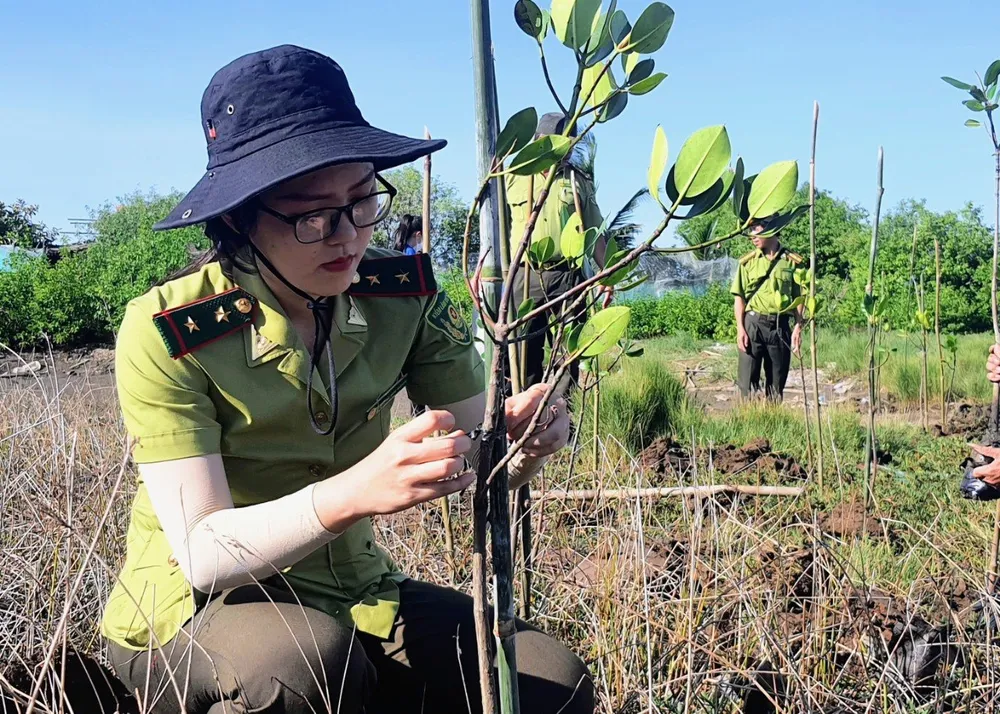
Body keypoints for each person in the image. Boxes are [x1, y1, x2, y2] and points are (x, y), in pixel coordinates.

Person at [100, 45, 592, 714]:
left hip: (357, 595)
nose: (348, 237)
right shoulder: (170, 330)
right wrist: (357, 492)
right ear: (241, 218)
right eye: (313, 216)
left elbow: (481, 462)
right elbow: (205, 552)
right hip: (194, 612)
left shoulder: (404, 295)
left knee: (549, 682)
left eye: (363, 202)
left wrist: (521, 444)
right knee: (299, 667)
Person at [505, 112, 607, 389]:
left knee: (569, 354)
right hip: (525, 276)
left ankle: (562, 423)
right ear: (540, 142)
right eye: (557, 141)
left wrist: (607, 275)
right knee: (523, 354)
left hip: (569, 276)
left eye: (569, 142)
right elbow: (494, 227)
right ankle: (526, 422)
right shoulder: (513, 176)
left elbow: (594, 232)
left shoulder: (577, 180)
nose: (566, 147)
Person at [731, 220, 805, 401]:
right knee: (747, 382)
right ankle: (747, 421)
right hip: (753, 324)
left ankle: (771, 420)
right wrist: (740, 328)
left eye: (756, 228)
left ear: (773, 228)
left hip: (780, 327)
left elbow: (800, 297)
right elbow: (739, 297)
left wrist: (798, 326)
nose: (752, 235)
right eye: (750, 229)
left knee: (776, 383)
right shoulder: (747, 263)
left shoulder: (792, 262)